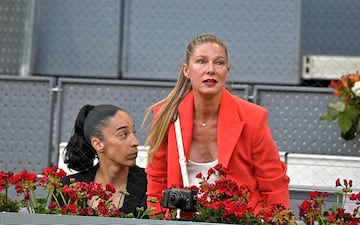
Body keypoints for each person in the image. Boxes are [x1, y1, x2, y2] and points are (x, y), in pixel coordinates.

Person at [143, 34, 290, 216]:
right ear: (186, 70)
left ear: (227, 70)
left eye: (219, 63)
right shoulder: (166, 115)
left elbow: (273, 184)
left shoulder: (253, 117)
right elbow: (157, 178)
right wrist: (155, 218)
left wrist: (278, 219)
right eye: (201, 61)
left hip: (240, 219)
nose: (211, 70)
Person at [57, 104, 147, 216]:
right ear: (98, 144)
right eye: (123, 135)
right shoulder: (66, 190)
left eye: (133, 133)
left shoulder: (150, 185)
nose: (135, 142)